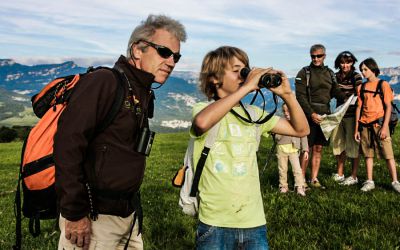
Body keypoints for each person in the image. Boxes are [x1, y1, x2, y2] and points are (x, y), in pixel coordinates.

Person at [54, 14, 187, 250]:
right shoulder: (105, 81)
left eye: (176, 56)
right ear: (138, 50)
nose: (171, 61)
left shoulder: (140, 91)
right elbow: (67, 144)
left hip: (128, 217)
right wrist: (74, 214)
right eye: (164, 52)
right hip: (94, 219)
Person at [192, 46, 309, 249]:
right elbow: (201, 123)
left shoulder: (254, 114)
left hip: (253, 220)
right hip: (215, 221)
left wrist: (288, 95)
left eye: (245, 69)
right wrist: (246, 87)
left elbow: (301, 129)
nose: (244, 74)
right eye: (237, 70)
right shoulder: (202, 110)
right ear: (214, 78)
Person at [295, 44, 346, 188]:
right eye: (313, 56)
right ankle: (301, 180)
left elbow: (336, 91)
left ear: (325, 56)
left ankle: (314, 179)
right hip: (308, 115)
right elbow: (300, 96)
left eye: (319, 56)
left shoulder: (330, 73)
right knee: (306, 149)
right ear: (310, 56)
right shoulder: (304, 73)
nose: (316, 59)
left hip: (325, 116)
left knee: (318, 148)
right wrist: (311, 113)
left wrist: (352, 96)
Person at [354, 58, 400, 193]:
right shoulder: (361, 87)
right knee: (368, 154)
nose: (363, 72)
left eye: (365, 70)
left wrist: (385, 126)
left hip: (379, 124)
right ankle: (369, 181)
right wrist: (356, 128)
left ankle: (395, 181)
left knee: (388, 154)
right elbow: (359, 107)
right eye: (361, 70)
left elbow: (388, 107)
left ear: (373, 69)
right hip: (364, 124)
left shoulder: (383, 84)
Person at [331, 51, 362, 185]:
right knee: (339, 144)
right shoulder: (336, 76)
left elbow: (360, 95)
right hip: (339, 114)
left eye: (348, 62)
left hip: (351, 115)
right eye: (342, 62)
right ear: (339, 63)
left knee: (353, 145)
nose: (345, 65)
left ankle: (354, 176)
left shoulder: (356, 76)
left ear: (352, 63)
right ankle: (340, 173)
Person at [275, 103, 308, 196]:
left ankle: (300, 186)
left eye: (288, 111)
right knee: (282, 168)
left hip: (293, 150)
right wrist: (278, 133)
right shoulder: (281, 122)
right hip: (281, 148)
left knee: (297, 169)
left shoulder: (298, 123)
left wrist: (305, 150)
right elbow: (276, 137)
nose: (286, 113)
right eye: (284, 111)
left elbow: (303, 135)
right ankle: (283, 186)